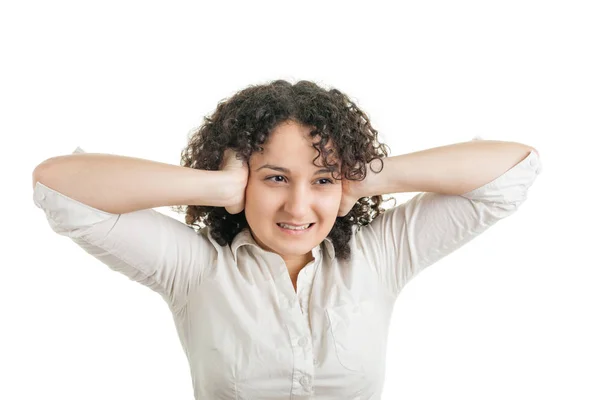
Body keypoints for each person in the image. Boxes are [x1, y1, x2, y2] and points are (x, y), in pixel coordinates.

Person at [31, 79, 542, 399]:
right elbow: (60, 186)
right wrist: (215, 186)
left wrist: (367, 176)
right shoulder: (196, 271)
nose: (299, 207)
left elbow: (511, 173)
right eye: (275, 177)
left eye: (321, 180)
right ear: (243, 180)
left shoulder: (378, 256)